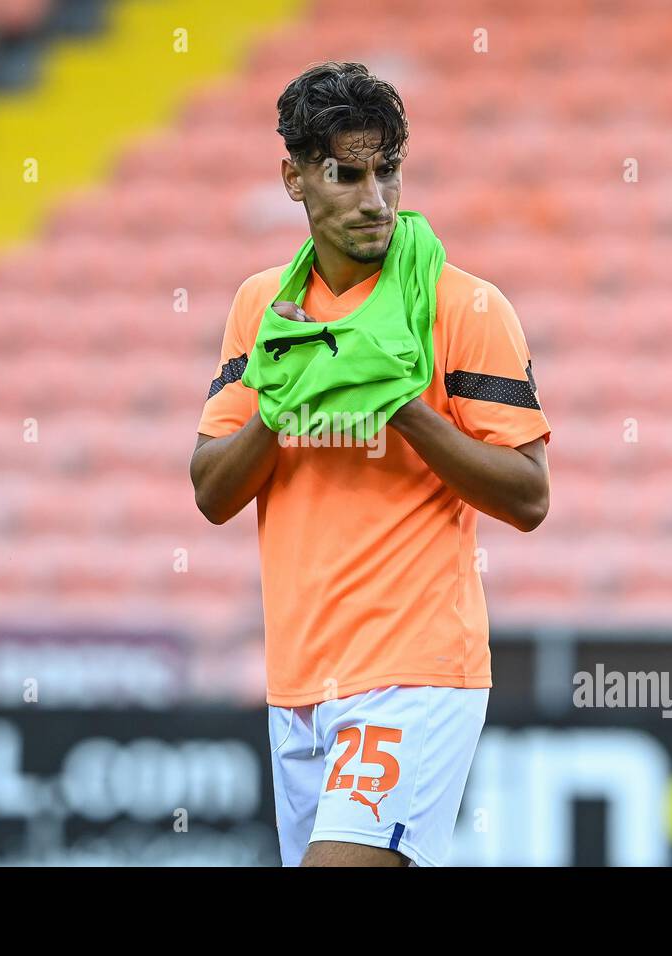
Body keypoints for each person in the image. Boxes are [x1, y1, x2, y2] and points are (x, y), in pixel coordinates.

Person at [190, 61, 550, 867]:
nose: (375, 199)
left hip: (414, 672)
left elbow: (529, 496)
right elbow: (213, 491)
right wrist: (278, 410)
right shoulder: (263, 310)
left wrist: (400, 404)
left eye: (387, 170)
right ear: (294, 178)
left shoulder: (464, 307)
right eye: (345, 175)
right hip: (299, 686)